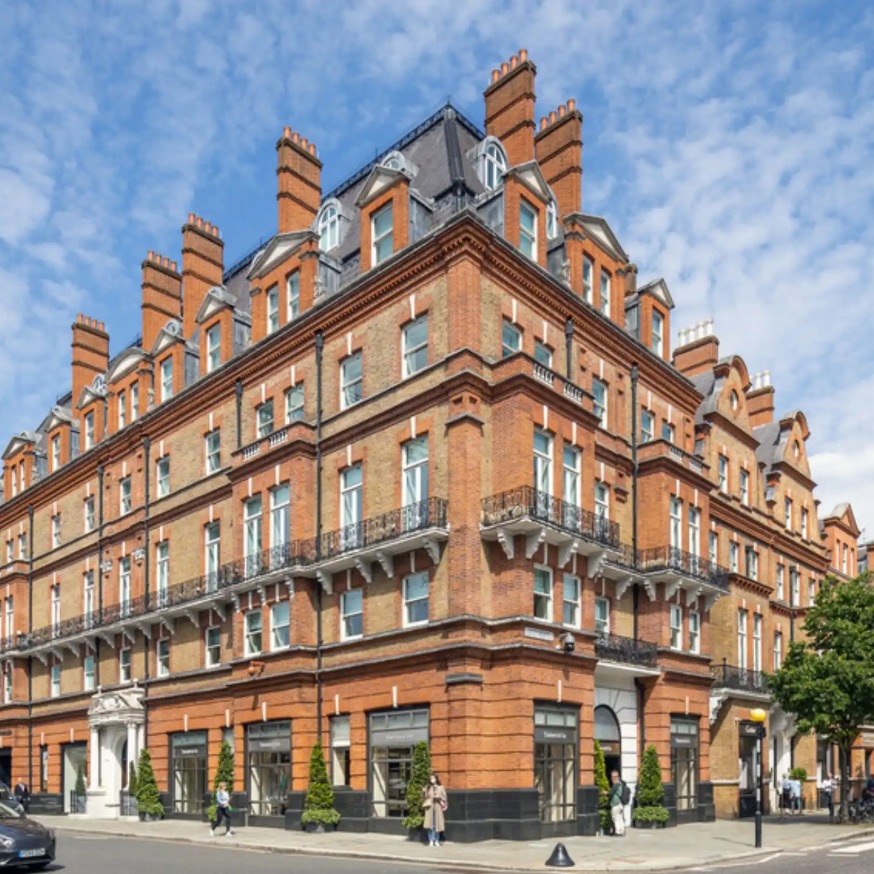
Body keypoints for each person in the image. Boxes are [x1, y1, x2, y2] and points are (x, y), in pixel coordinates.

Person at [422, 773, 447, 847]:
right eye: (431, 778)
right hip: (430, 807)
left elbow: (444, 797)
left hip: (437, 806)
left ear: (436, 779)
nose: (432, 780)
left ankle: (436, 840)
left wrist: (439, 797)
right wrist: (424, 792)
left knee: (437, 824)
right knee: (430, 825)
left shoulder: (440, 787)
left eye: (433, 778)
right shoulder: (428, 787)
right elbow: (424, 798)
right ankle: (431, 840)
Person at [609, 770, 626, 837]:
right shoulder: (621, 784)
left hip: (616, 804)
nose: (612, 779)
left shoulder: (616, 785)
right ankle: (621, 831)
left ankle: (617, 832)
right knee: (620, 818)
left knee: (615, 818)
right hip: (620, 804)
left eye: (613, 777)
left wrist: (606, 793)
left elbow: (611, 794)